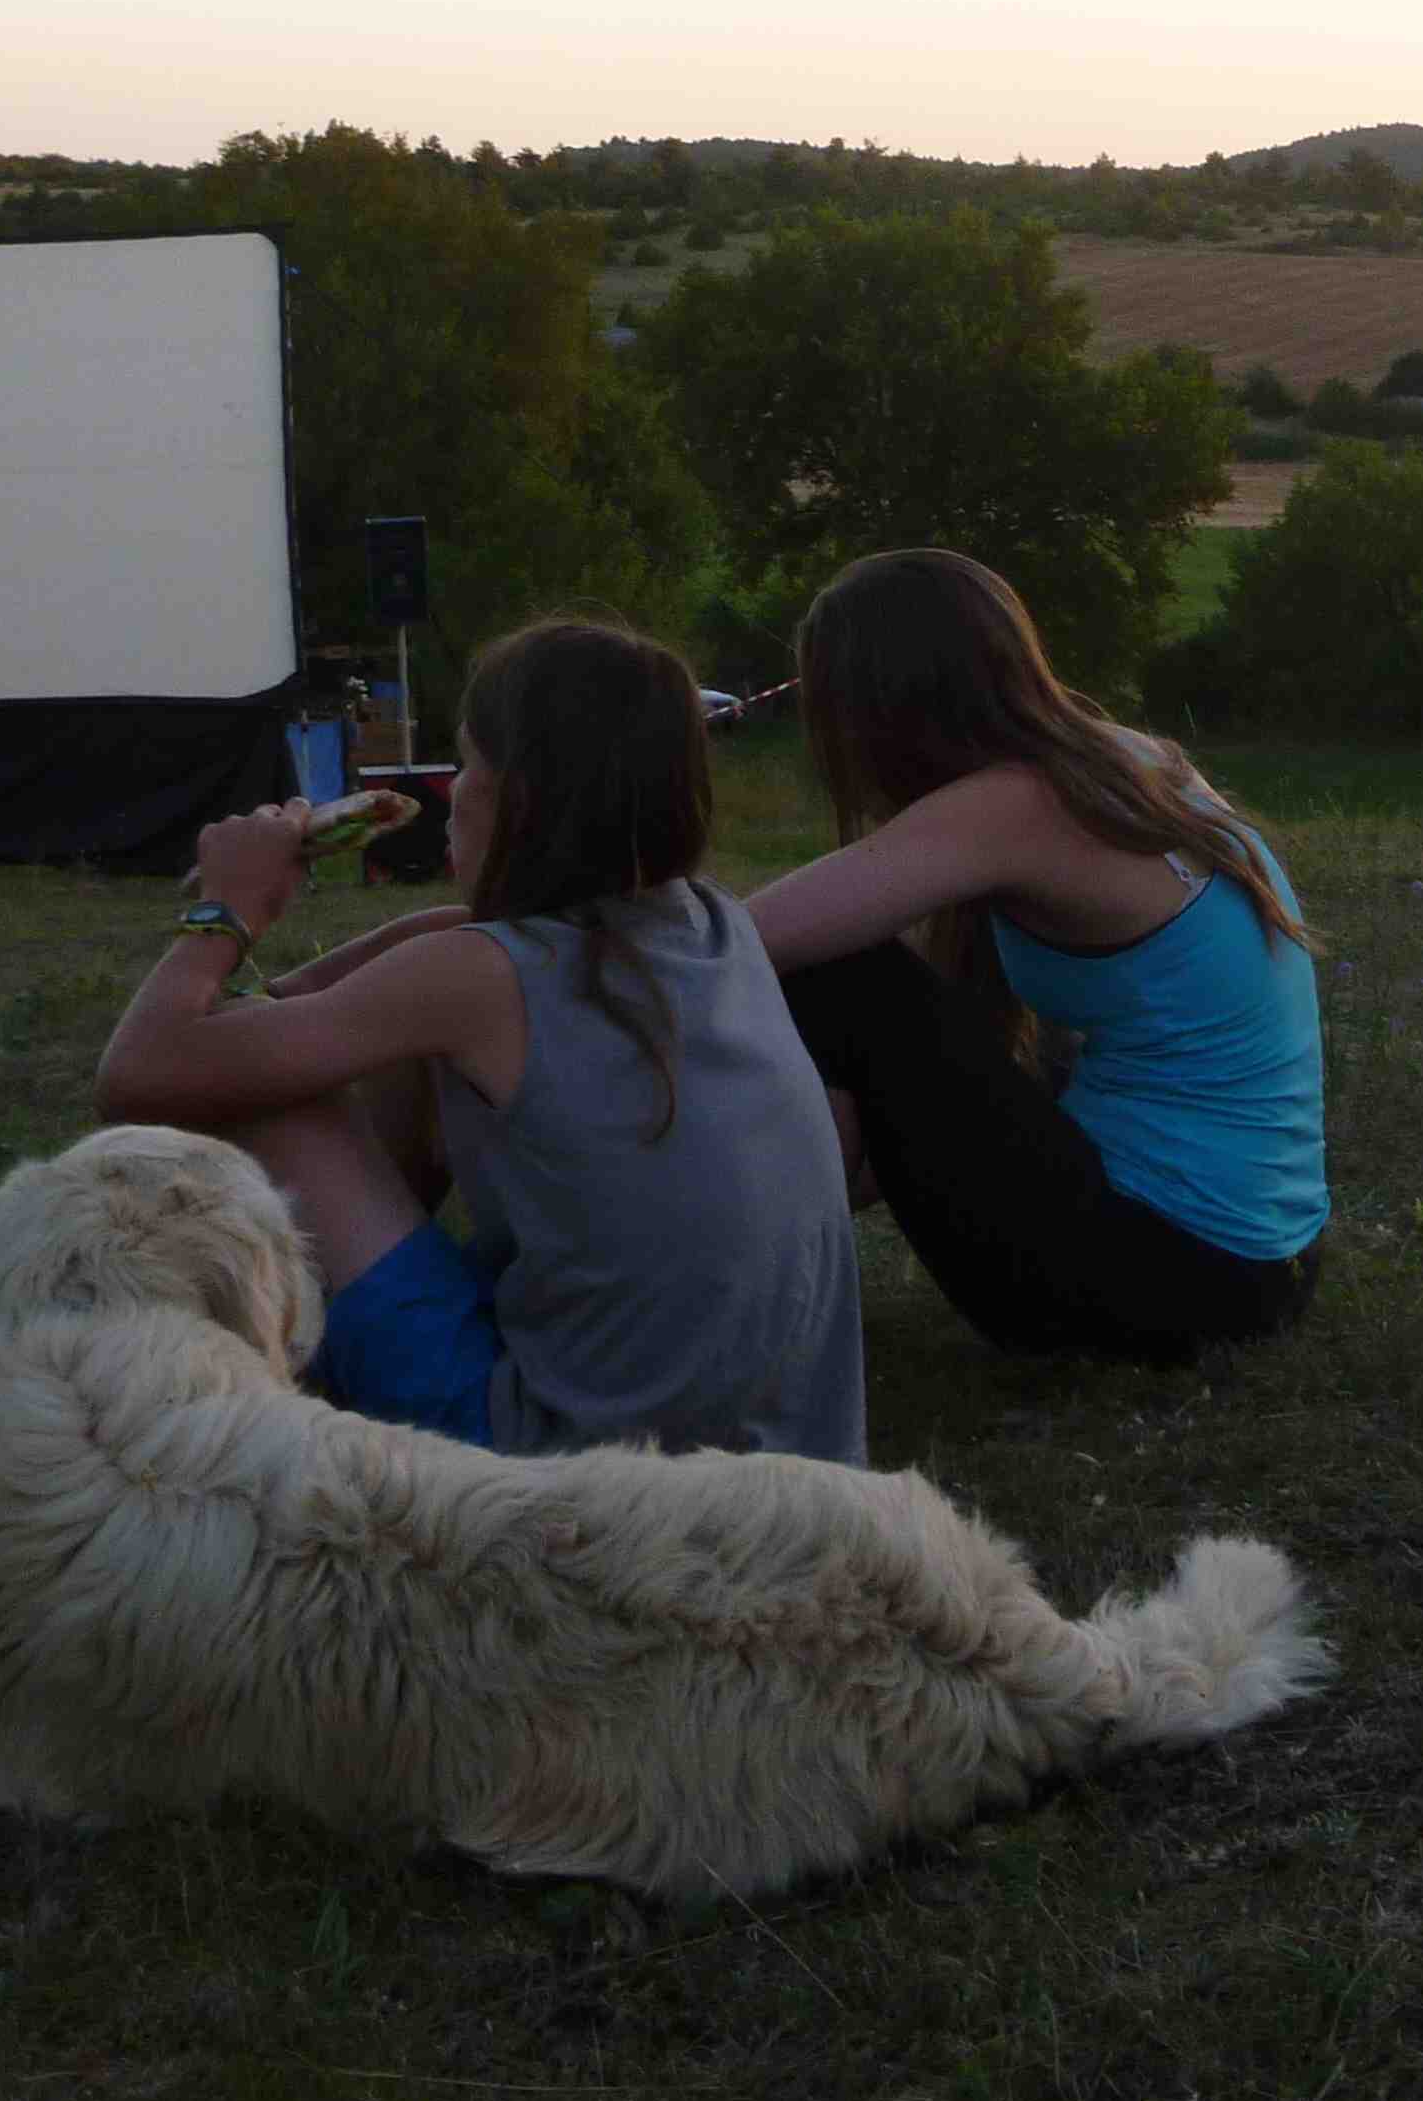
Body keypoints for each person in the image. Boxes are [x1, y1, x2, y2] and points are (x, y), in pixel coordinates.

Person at [95, 614, 861, 1464]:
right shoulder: (713, 925)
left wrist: (226, 911)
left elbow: (143, 1072)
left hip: (571, 1475)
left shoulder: (471, 979)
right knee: (316, 1057)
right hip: (791, 1469)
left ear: (518, 796)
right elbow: (265, 1018)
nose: (450, 793)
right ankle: (342, 1331)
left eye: (468, 764)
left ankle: (268, 1354)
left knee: (283, 1114)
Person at [744, 550, 1325, 1363]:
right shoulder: (1127, 762)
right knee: (907, 1005)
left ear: (880, 710)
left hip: (1181, 1279)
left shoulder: (1017, 807)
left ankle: (746, 1281)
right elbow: (938, 1076)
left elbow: (742, 941)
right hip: (1267, 1264)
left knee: (839, 975)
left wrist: (562, 945)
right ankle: (753, 1262)